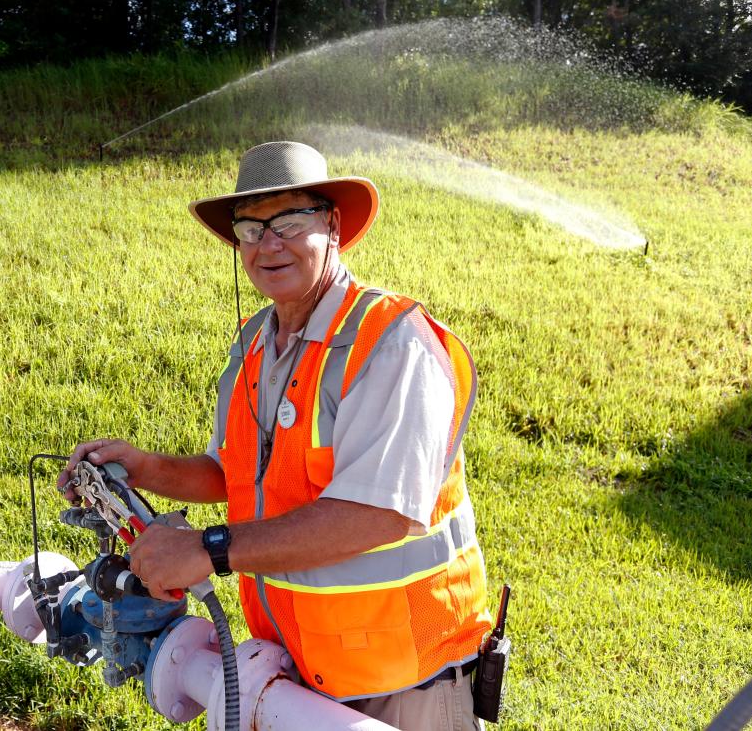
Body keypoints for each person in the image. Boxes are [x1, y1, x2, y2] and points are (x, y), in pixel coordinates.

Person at [60, 141, 492, 730]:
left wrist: (208, 551)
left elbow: (377, 515)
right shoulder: (257, 343)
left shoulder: (391, 345)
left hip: (402, 684)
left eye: (289, 221)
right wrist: (146, 468)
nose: (269, 244)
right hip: (297, 671)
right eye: (251, 228)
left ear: (332, 224)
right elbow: (234, 474)